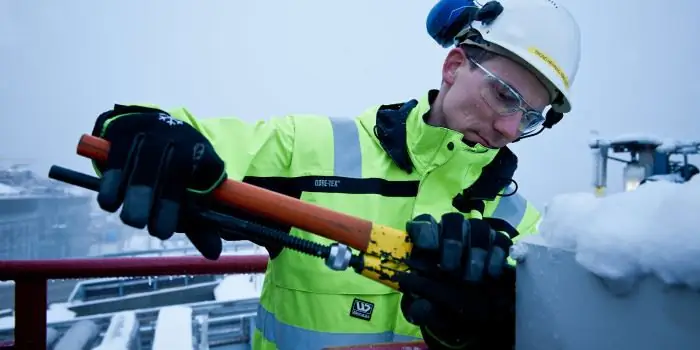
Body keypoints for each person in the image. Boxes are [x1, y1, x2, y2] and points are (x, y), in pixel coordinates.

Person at [88, 0, 581, 348]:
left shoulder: (525, 228)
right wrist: (144, 130)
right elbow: (189, 138)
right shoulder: (313, 151)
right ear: (454, 66)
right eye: (505, 96)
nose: (510, 128)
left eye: (532, 116)